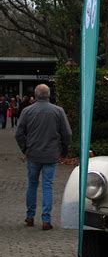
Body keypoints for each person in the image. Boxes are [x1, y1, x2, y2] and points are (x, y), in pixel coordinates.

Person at [15, 84, 72, 230]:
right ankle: (46, 219)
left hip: (33, 153)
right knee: (48, 186)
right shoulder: (58, 111)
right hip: (51, 154)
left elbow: (19, 133)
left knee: (32, 184)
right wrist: (63, 150)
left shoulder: (27, 111)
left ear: (35, 94)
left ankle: (30, 216)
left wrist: (25, 149)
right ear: (48, 94)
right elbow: (67, 133)